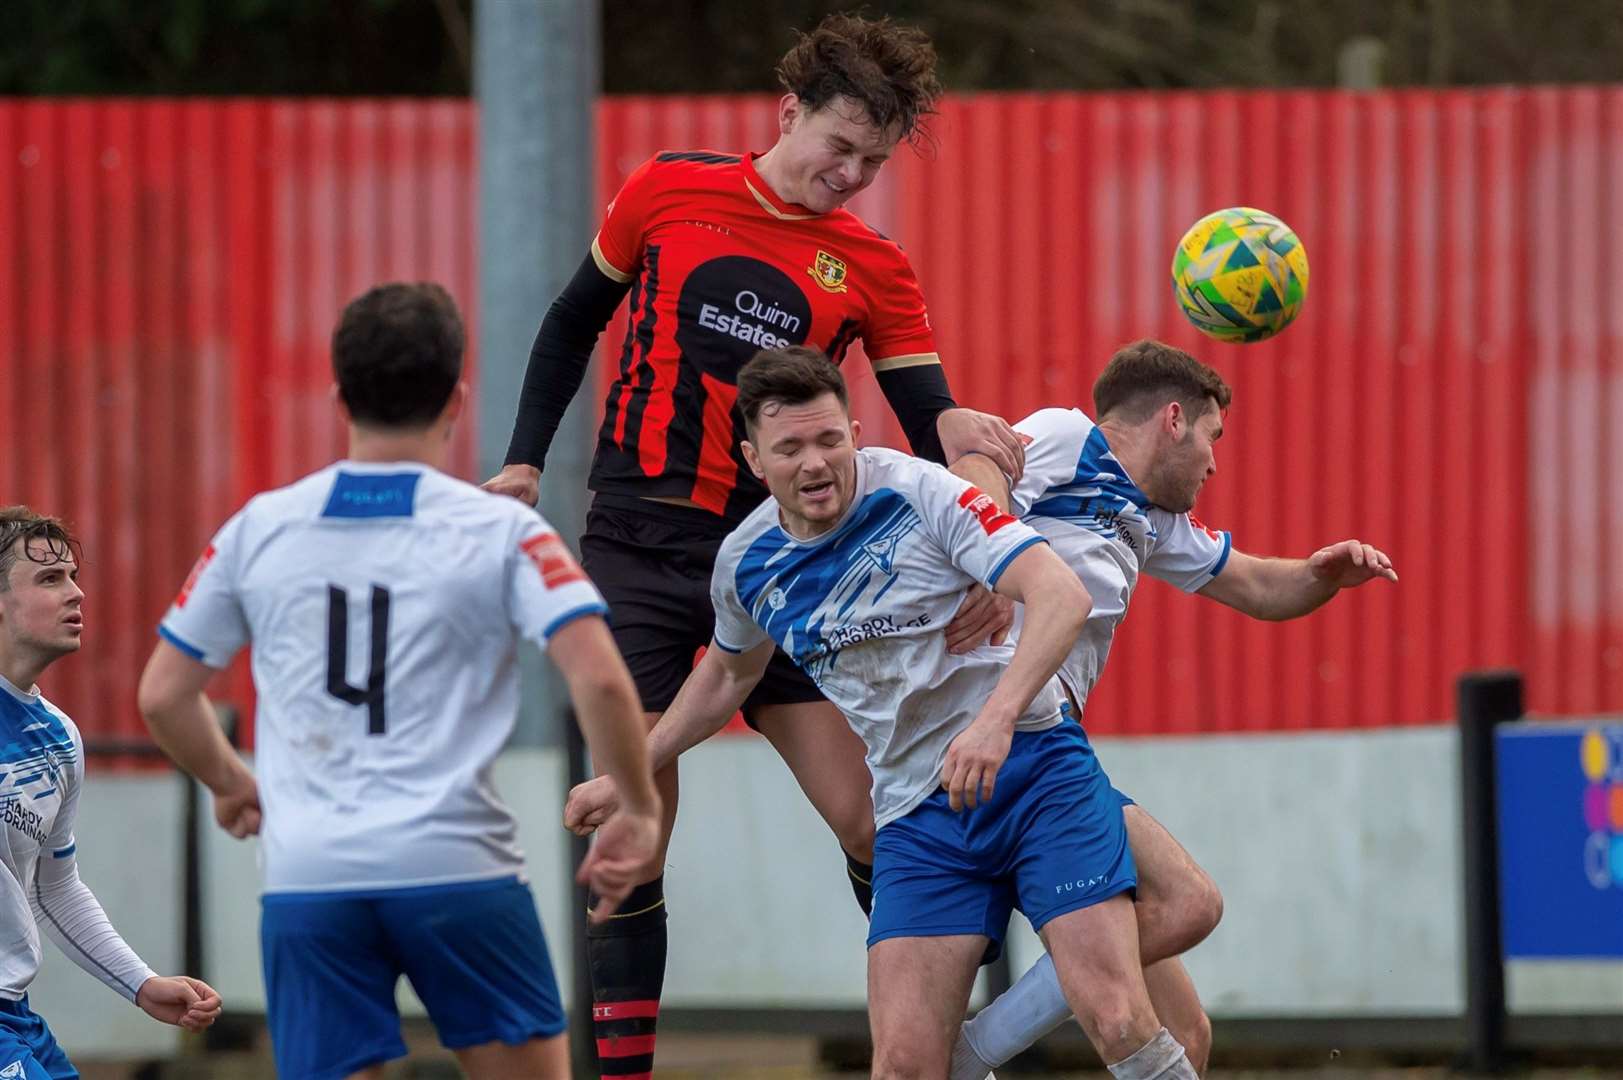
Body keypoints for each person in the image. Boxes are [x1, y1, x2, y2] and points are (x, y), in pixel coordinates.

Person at [482, 12, 1023, 1067]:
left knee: (872, 823)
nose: (853, 173)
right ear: (789, 113)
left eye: (873, 160)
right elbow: (568, 321)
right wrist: (523, 459)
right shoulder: (668, 189)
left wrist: (991, 552)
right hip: (637, 547)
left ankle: (932, 1045)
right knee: (634, 838)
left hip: (785, 569)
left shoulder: (873, 266)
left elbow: (934, 426)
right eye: (839, 147)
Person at [567, 346, 1204, 1080]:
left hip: (1033, 771)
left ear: (856, 432)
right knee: (904, 1066)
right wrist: (629, 775)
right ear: (752, 459)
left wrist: (994, 721)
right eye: (790, 448)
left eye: (829, 440)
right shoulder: (747, 562)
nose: (814, 464)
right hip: (916, 814)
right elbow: (723, 676)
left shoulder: (920, 492)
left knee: (1121, 1015)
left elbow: (1059, 594)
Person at [136, 283, 662, 1080]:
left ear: (339, 396)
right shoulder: (502, 529)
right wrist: (639, 803)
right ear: (456, 397)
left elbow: (164, 695)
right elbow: (600, 679)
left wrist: (230, 780)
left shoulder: (260, 528)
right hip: (458, 868)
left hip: (310, 880)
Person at [945, 338, 1399, 1077]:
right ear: (1172, 420)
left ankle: (972, 1048)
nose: (1215, 465)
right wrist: (993, 559)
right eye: (1212, 440)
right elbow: (976, 468)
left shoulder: (1148, 520)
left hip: (1045, 742)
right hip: (999, 730)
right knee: (1185, 903)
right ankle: (966, 1055)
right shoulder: (1068, 437)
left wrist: (1323, 575)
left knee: (1185, 1030)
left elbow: (1255, 586)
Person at [0, 507, 222, 1078]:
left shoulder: (58, 737)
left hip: (15, 1016)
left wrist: (142, 984)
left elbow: (54, 888)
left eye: (74, 576)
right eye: (50, 580)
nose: (76, 594)